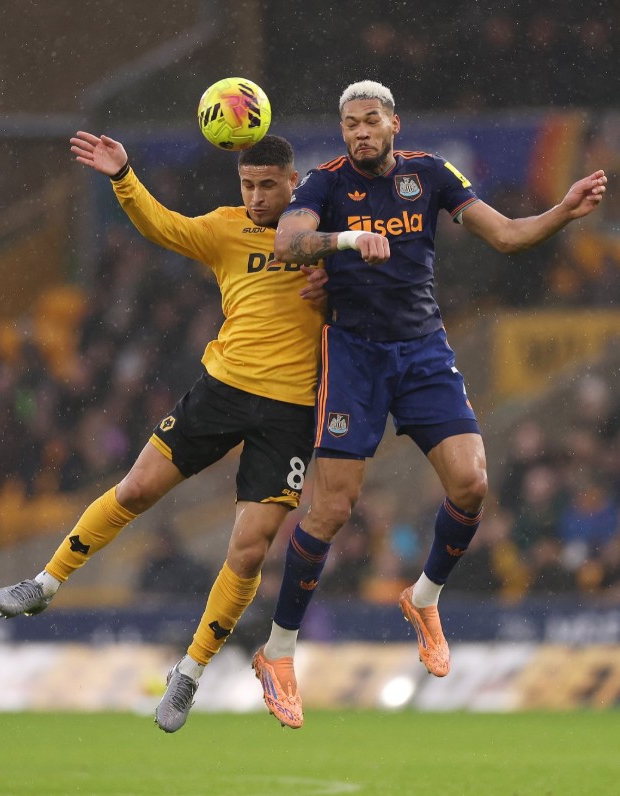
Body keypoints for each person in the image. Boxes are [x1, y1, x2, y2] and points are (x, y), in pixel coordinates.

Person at [251, 79, 607, 726]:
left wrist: (562, 211)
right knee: (331, 509)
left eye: (370, 120)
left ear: (394, 124)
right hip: (354, 354)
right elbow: (287, 244)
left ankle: (425, 598)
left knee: (472, 483)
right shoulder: (324, 185)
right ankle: (278, 651)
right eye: (350, 123)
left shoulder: (431, 175)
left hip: (421, 352)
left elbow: (504, 235)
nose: (359, 131)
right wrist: (347, 242)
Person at [0, 131, 327, 733]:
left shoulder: (322, 235)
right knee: (136, 489)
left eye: (267, 185)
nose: (255, 196)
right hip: (221, 390)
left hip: (290, 412)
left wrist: (339, 287)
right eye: (247, 184)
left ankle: (189, 674)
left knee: (248, 551)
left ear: (292, 181)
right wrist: (124, 177)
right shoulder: (226, 227)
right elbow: (162, 226)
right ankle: (44, 583)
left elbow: (372, 289)